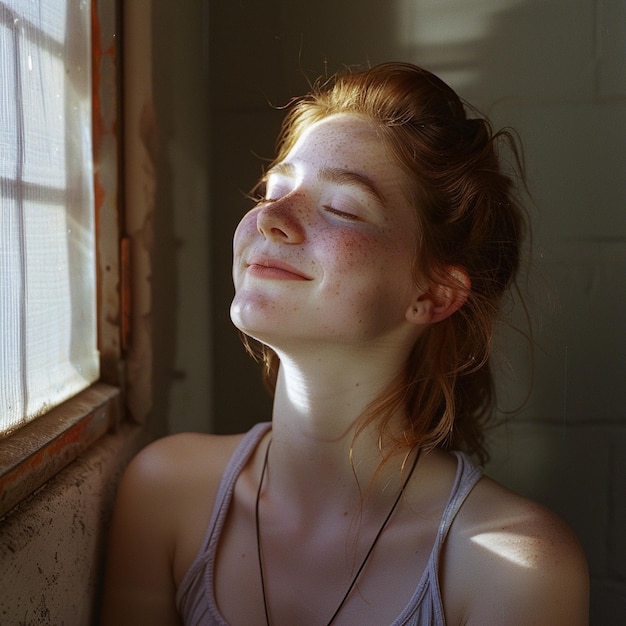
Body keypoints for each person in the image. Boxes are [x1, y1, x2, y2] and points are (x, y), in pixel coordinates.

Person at [101, 62, 589, 625]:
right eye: (273, 190)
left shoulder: (516, 567)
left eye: (342, 207)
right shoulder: (165, 493)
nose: (271, 219)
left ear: (432, 294)